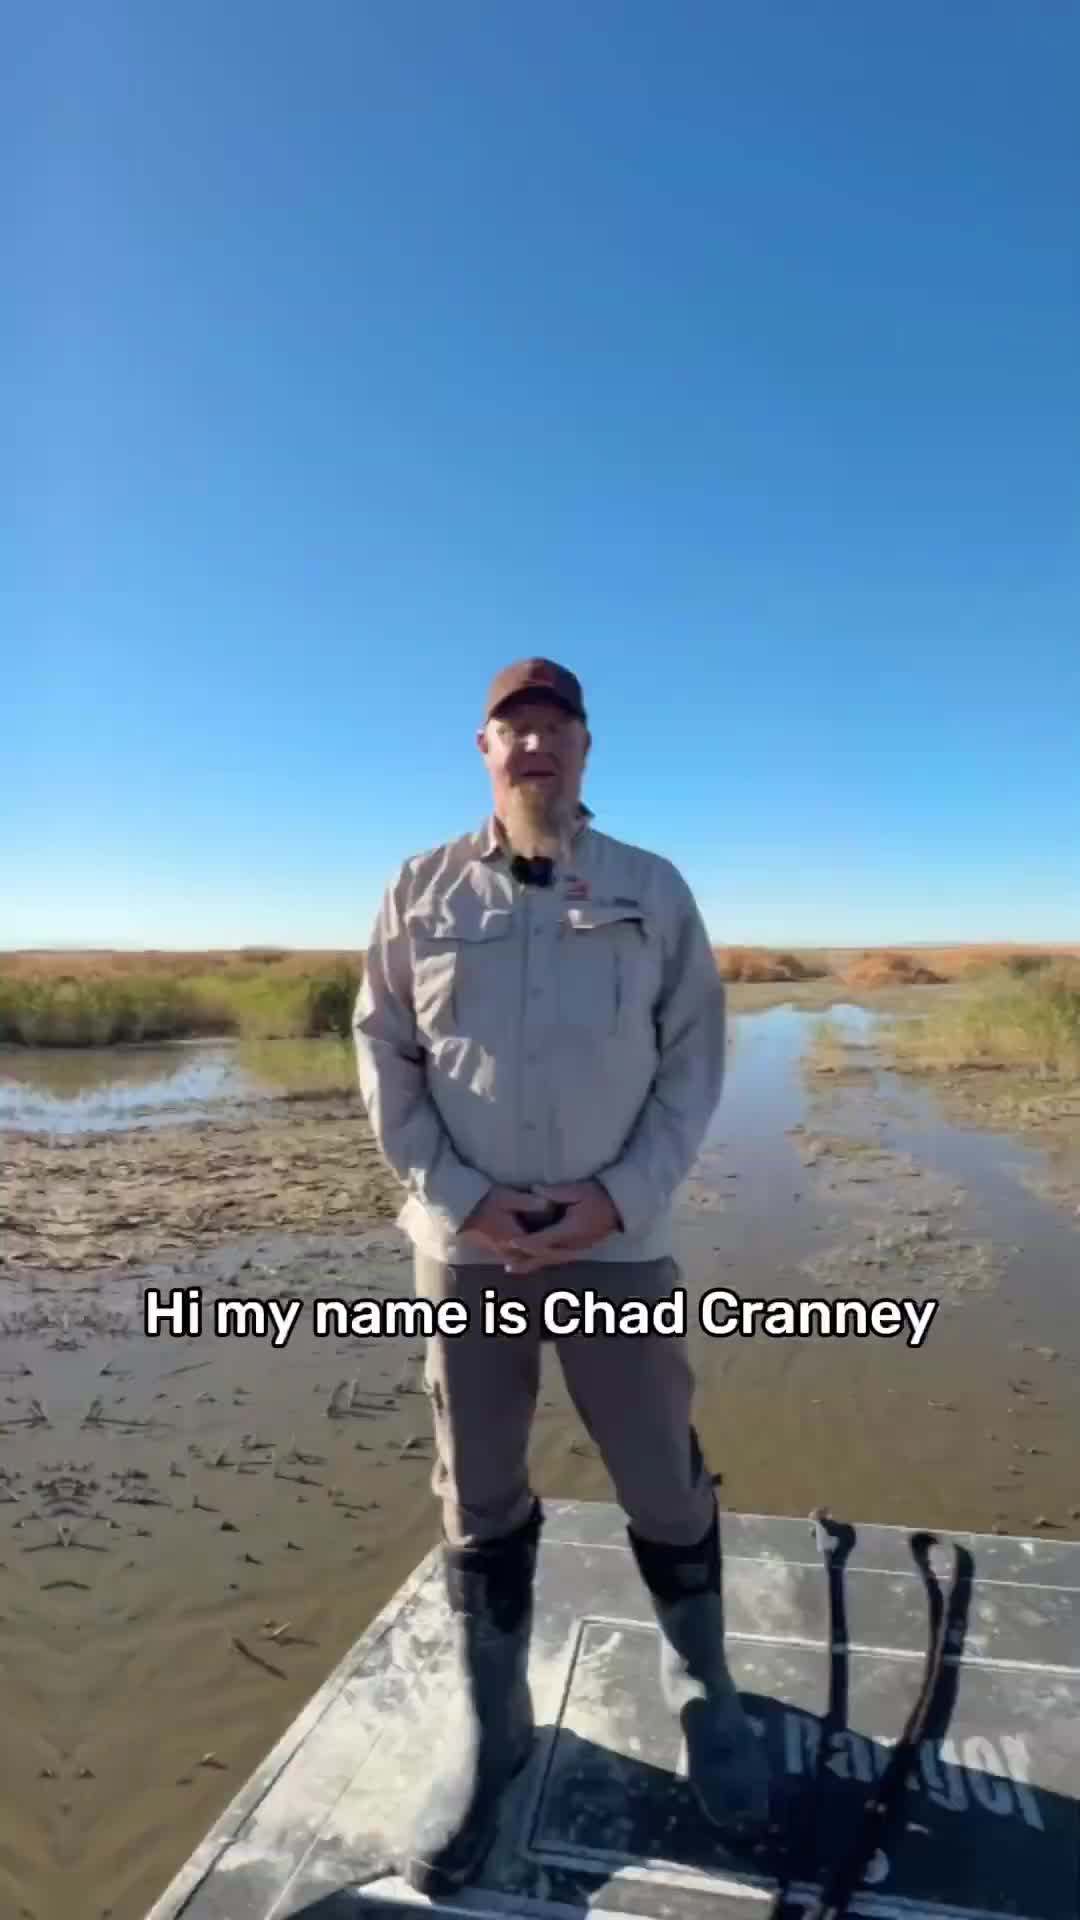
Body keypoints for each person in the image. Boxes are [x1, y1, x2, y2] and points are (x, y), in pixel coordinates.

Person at [352, 658, 770, 1894]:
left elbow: (693, 1062)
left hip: (618, 1248)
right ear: (482, 750)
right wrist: (463, 1200)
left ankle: (704, 1689)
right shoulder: (419, 892)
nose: (533, 748)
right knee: (478, 1491)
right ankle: (500, 1729)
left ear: (587, 749)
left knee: (661, 1472)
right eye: (511, 731)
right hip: (468, 1254)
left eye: (555, 730)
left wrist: (615, 1202)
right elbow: (384, 1054)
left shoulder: (651, 889)